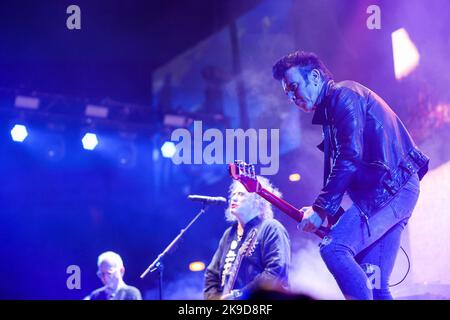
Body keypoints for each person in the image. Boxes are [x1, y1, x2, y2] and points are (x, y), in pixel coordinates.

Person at [272, 51, 429, 300]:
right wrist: (323, 211)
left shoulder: (344, 95)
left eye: (294, 87)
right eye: (287, 93)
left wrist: (321, 209)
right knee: (374, 284)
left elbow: (350, 156)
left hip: (392, 188)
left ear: (314, 76)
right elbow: (346, 163)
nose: (292, 97)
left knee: (333, 248)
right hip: (394, 190)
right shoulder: (331, 116)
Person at [204, 177, 291, 300]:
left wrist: (240, 296)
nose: (233, 198)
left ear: (257, 199)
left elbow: (276, 271)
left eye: (240, 194)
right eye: (233, 194)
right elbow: (212, 274)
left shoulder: (270, 227)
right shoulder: (228, 234)